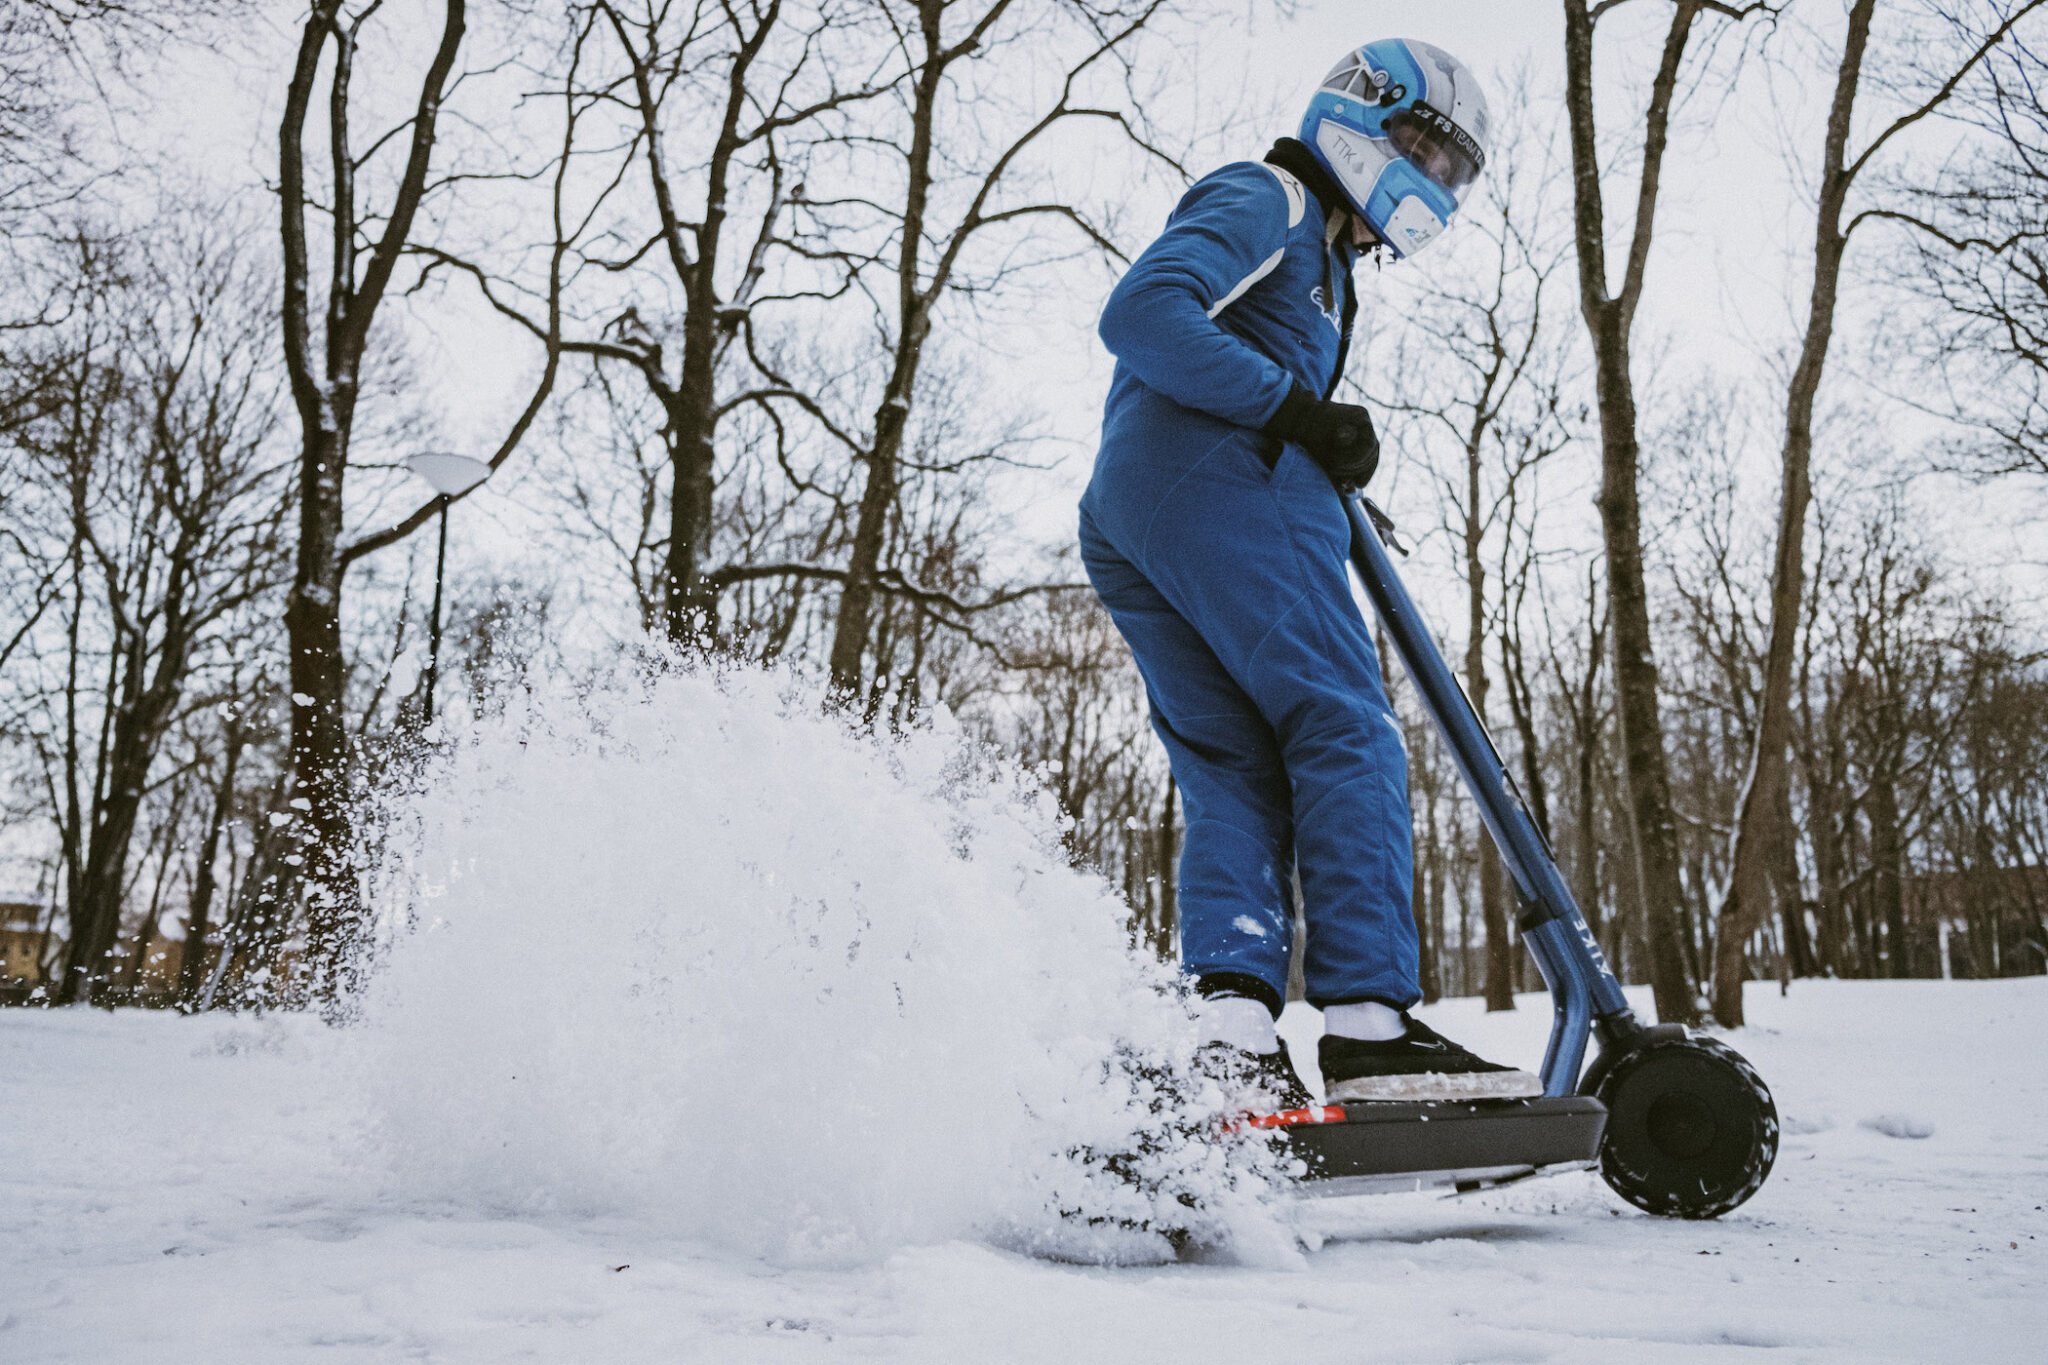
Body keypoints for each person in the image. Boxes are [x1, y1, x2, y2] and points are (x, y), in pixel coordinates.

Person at [1079, 39, 1539, 1109]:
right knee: (1344, 724)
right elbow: (1141, 315)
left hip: (1139, 507)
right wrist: (1293, 414)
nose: (1431, 177)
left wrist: (1319, 450)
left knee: (1233, 761)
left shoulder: (1329, 259)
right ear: (1361, 113)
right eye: (1421, 145)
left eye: (1450, 167)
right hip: (1216, 478)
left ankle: (1231, 1032)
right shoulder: (1273, 196)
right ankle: (1369, 1027)